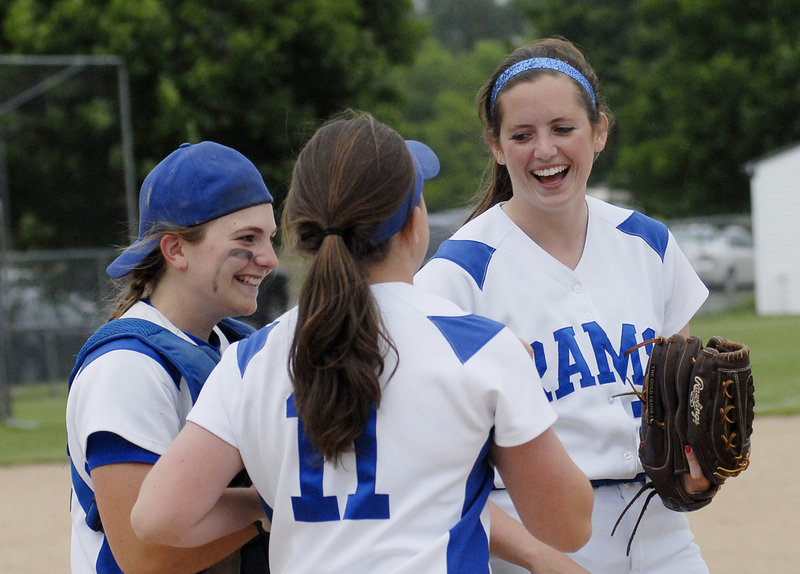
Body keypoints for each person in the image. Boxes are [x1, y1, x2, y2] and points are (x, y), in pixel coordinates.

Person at [130, 111, 593, 573]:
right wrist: (521, 401)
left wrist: (263, 503)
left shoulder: (252, 358)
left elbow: (158, 519)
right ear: (414, 224)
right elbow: (568, 528)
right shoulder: (480, 348)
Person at [414, 37, 713, 574]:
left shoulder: (647, 243)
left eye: (563, 128)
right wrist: (533, 557)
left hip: (661, 526)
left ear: (599, 132)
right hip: (534, 536)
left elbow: (685, 400)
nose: (544, 150)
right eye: (522, 135)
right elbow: (432, 464)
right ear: (496, 146)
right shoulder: (458, 274)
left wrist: (697, 465)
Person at [66, 141, 278, 573]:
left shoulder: (234, 345)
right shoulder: (126, 368)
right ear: (176, 250)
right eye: (246, 239)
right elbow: (144, 556)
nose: (269, 259)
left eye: (269, 238)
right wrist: (274, 505)